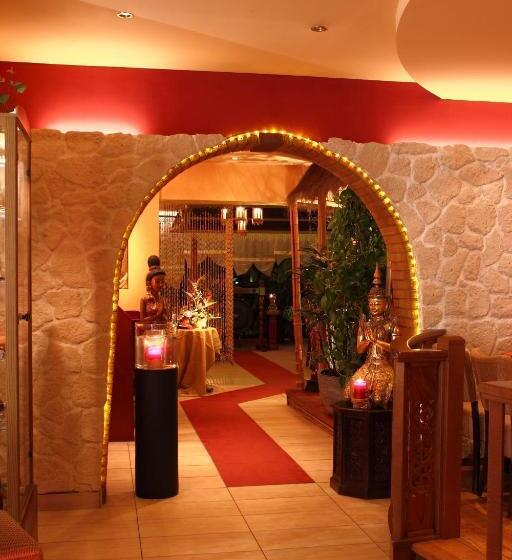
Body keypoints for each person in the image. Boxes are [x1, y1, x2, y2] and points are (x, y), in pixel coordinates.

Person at [345, 264, 399, 405]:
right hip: (368, 365)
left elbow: (395, 349)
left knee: (378, 396)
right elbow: (359, 350)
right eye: (371, 304)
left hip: (384, 366)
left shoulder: (391, 325)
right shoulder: (365, 325)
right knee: (351, 389)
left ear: (386, 304)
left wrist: (376, 340)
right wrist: (368, 341)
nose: (373, 307)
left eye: (377, 304)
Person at [140, 255, 168, 324]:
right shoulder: (144, 299)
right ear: (149, 282)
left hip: (161, 329)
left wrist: (164, 317)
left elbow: (166, 320)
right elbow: (142, 321)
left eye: (162, 282)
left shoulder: (162, 299)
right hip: (149, 330)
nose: (161, 284)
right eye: (157, 282)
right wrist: (158, 314)